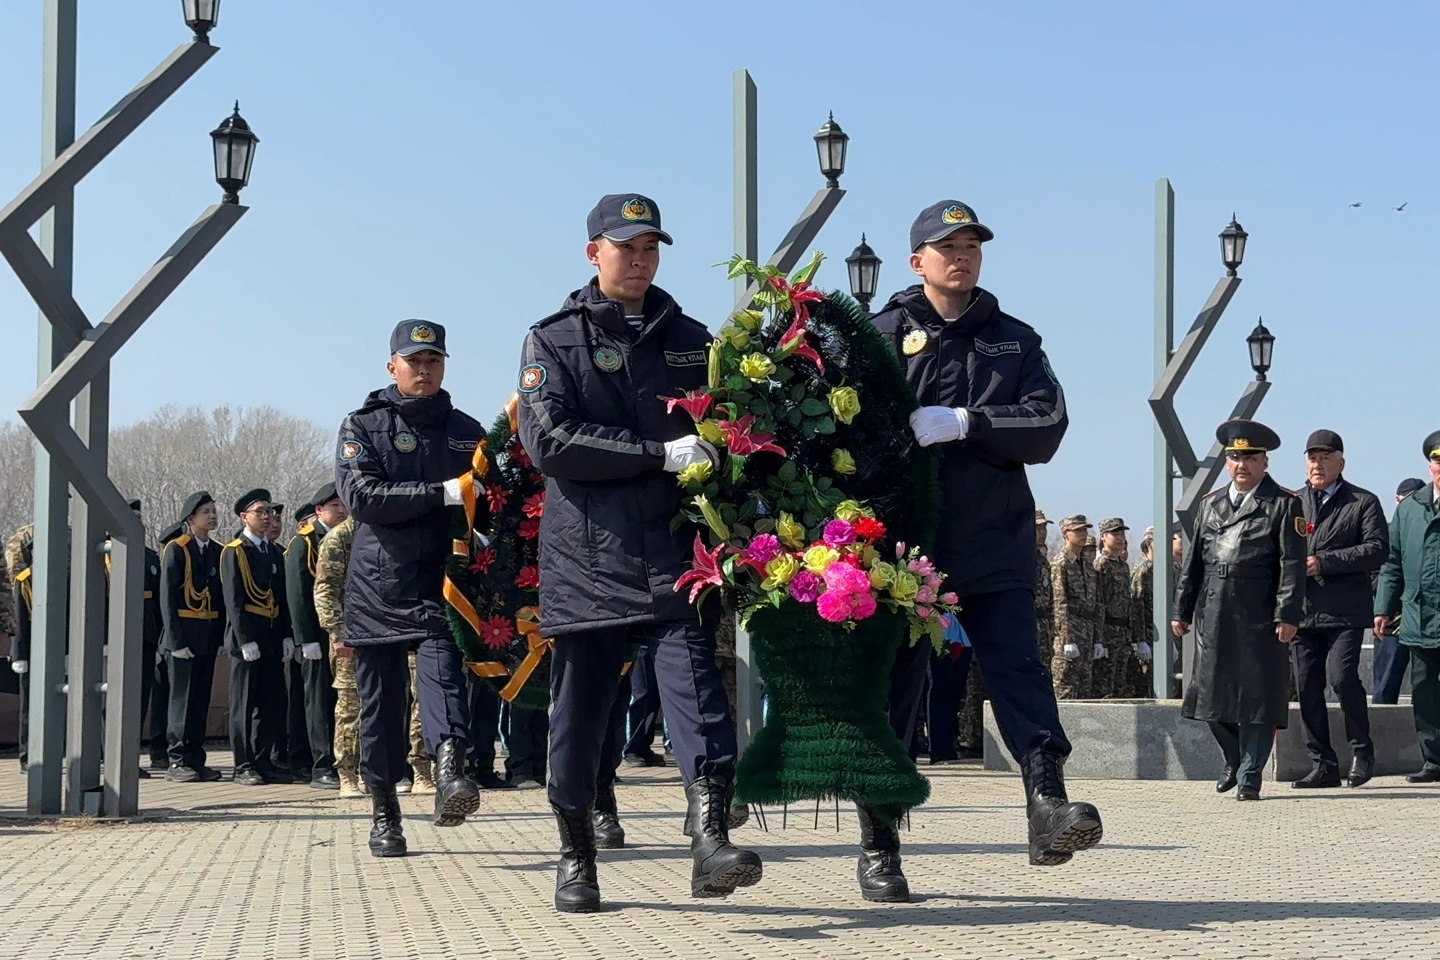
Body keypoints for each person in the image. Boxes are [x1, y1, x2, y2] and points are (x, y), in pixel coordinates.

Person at [517, 193, 760, 912]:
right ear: (594, 252)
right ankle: (576, 853)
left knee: (699, 698)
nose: (641, 259)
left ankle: (711, 840)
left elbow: (729, 430)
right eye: (627, 247)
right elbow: (549, 443)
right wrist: (657, 453)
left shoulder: (690, 339)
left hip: (675, 556)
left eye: (651, 247)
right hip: (587, 560)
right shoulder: (552, 339)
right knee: (582, 716)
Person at [875, 199, 1101, 889]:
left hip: (994, 539)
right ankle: (879, 844)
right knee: (895, 695)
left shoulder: (1014, 340)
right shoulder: (879, 337)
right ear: (918, 262)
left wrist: (970, 422)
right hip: (903, 551)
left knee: (1018, 673)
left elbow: (1048, 425)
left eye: (971, 246)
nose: (961, 256)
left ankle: (1048, 808)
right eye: (947, 247)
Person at [335, 318, 488, 857]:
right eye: (414, 361)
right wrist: (441, 492)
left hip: (442, 582)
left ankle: (451, 776)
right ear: (391, 366)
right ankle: (384, 812)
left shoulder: (468, 431)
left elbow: (494, 503)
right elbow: (363, 498)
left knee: (445, 679)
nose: (423, 370)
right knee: (381, 707)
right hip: (378, 584)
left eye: (433, 361)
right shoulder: (363, 426)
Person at [1172, 419, 1305, 801]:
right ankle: (1234, 757)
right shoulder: (1210, 503)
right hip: (1213, 612)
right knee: (1209, 698)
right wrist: (1182, 610)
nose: (1241, 464)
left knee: (1258, 699)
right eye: (1234, 457)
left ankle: (1250, 775)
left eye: (1249, 457)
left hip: (1259, 613)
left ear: (1264, 461)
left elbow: (1292, 565)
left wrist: (1287, 615)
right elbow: (1193, 563)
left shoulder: (1283, 503)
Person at [1289, 430, 1388, 789]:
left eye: (1325, 457)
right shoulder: (1292, 502)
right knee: (1306, 686)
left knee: (1342, 677)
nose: (1318, 464)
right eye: (1312, 457)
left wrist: (1324, 562)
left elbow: (1377, 549)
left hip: (1345, 611)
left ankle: (1362, 751)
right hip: (1301, 612)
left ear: (1340, 463)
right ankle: (1323, 763)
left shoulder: (1363, 502)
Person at [1374, 431, 1440, 784]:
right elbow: (1392, 563)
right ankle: (1433, 760)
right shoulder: (1410, 509)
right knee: (1424, 691)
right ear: (1430, 466)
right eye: (1438, 461)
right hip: (1419, 614)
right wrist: (1382, 607)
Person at [220, 489, 292, 786]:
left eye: (269, 513)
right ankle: (243, 764)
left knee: (272, 701)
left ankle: (264, 761)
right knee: (244, 703)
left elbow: (284, 597)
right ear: (244, 517)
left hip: (273, 636)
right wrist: (244, 638)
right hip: (247, 637)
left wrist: (287, 635)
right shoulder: (235, 551)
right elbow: (233, 599)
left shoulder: (275, 551)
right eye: (260, 512)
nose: (266, 517)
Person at [285, 484, 349, 790]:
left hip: (346, 632)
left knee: (343, 699)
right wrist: (305, 638)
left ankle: (343, 759)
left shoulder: (349, 537)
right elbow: (298, 593)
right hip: (317, 635)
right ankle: (321, 764)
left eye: (343, 504)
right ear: (319, 510)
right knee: (319, 701)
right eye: (334, 505)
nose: (341, 510)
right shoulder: (305, 543)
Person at [160, 492, 227, 783]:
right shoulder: (178, 549)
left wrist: (222, 636)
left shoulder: (217, 551)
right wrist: (175, 641)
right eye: (205, 512)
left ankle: (196, 758)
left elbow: (222, 598)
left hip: (207, 635)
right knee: (181, 700)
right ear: (190, 519)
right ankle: (177, 759)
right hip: (184, 636)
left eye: (213, 511)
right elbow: (167, 599)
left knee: (200, 699)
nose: (211, 516)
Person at [102, 500, 166, 778]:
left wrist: (160, 639)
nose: (136, 522)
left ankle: (130, 757)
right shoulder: (103, 553)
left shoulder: (150, 556)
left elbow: (159, 601)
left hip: (146, 634)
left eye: (139, 518)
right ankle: (108, 757)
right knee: (111, 699)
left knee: (138, 698)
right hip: (111, 635)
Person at [313, 515, 364, 798]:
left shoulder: (383, 531)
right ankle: (347, 774)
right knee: (349, 708)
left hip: (381, 633)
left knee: (380, 708)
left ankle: (374, 771)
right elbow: (325, 590)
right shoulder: (339, 537)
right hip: (350, 637)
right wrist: (338, 632)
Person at [1373, 477, 1427, 703]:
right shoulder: (1384, 531)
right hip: (1392, 622)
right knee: (1385, 688)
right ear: (1397, 501)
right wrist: (1385, 606)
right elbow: (1380, 573)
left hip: (1423, 619)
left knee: (1426, 688)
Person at [1051, 516, 1097, 700]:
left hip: (1087, 630)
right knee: (1065, 686)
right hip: (1070, 632)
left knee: (1085, 687)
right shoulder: (1060, 563)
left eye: (1084, 530)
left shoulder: (1086, 565)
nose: (1082, 534)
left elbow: (1097, 604)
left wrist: (1098, 639)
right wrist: (1066, 638)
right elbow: (1059, 602)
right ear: (1065, 534)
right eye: (1077, 530)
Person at [1093, 519, 1132, 699]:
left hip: (1122, 633)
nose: (1120, 538)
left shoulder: (1123, 566)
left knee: (1120, 684)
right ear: (1103, 537)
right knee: (1104, 686)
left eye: (1121, 534)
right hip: (1107, 630)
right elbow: (1098, 602)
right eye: (1115, 534)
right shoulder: (1101, 565)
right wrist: (1099, 639)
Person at [1128, 528, 1156, 698]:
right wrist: (1140, 640)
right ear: (1149, 544)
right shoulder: (1143, 571)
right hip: (1148, 635)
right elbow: (1136, 605)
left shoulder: (1168, 569)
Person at [1035, 510, 1055, 664]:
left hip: (1044, 628)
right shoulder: (1019, 559)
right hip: (1027, 626)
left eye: (1044, 528)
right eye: (1037, 528)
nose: (1042, 533)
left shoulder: (1043, 561)